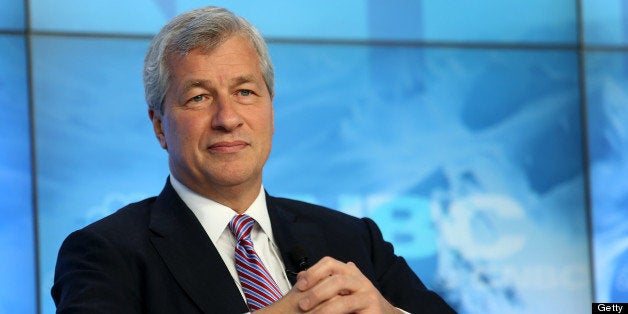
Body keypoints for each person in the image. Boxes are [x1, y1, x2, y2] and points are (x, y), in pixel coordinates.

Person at [51, 6, 455, 314]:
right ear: (159, 125)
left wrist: (387, 311)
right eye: (199, 97)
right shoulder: (103, 252)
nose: (228, 118)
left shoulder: (353, 239)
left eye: (245, 92)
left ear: (271, 112)